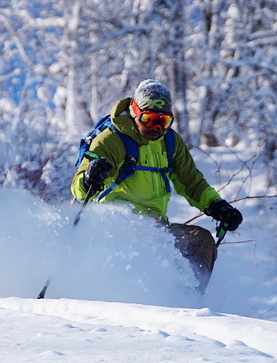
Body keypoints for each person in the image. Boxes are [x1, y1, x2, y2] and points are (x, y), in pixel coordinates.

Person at [70, 79, 243, 292]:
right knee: (147, 246)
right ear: (135, 112)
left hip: (155, 227)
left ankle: (188, 303)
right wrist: (90, 178)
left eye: (163, 121)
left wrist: (217, 206)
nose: (156, 128)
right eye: (149, 119)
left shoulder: (170, 142)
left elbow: (192, 182)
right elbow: (78, 189)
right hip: (116, 228)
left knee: (201, 242)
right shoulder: (112, 140)